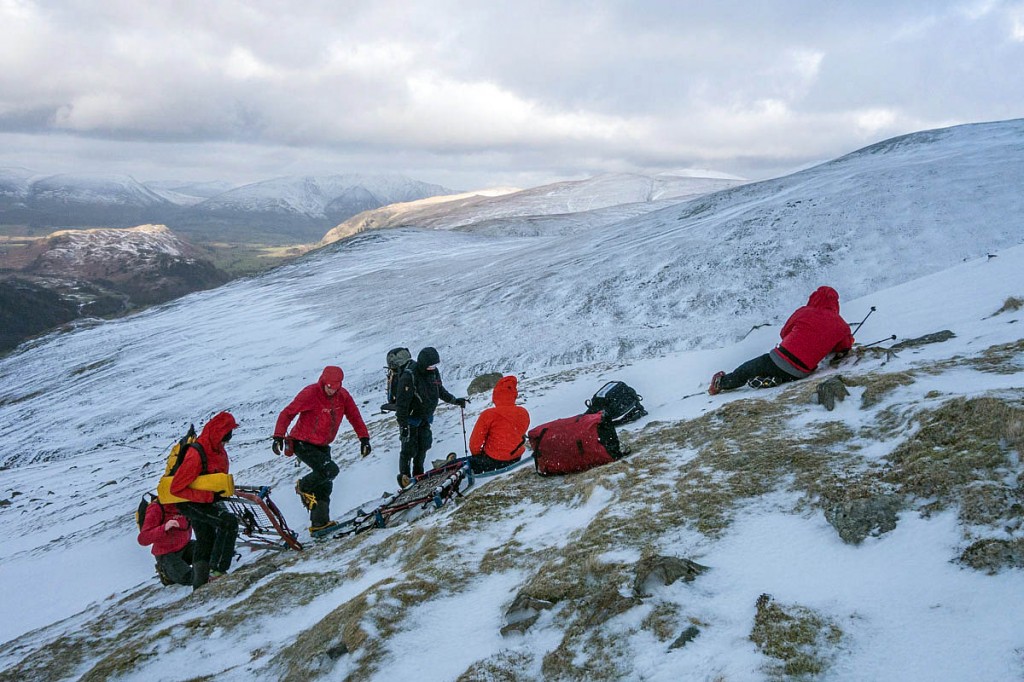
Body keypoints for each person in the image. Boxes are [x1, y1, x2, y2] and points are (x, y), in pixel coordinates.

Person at [272, 365, 371, 534]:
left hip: (323, 445)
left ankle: (320, 523)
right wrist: (278, 436)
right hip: (302, 442)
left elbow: (355, 416)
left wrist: (364, 438)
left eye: (336, 388)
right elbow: (288, 413)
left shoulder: (343, 396)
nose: (332, 391)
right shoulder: (310, 393)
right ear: (323, 382)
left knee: (325, 485)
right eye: (329, 388)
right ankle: (303, 486)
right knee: (330, 470)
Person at [709, 286, 854, 395]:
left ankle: (720, 384)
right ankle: (773, 379)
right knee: (780, 372)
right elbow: (844, 347)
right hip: (802, 372)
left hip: (779, 359)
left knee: (747, 369)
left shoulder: (805, 312)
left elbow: (784, 332)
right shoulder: (842, 325)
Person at [170, 411, 239, 589]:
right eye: (225, 438)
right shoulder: (196, 454)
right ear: (218, 434)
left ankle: (200, 585)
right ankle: (217, 571)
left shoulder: (217, 449)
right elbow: (176, 488)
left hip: (206, 499)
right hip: (189, 501)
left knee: (206, 537)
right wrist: (207, 496)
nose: (226, 443)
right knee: (228, 522)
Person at [395, 347, 467, 486]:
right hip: (410, 420)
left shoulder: (433, 373)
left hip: (425, 417)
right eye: (430, 365)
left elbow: (440, 391)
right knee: (408, 449)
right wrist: (403, 425)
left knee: (423, 446)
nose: (433, 367)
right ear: (423, 363)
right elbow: (401, 405)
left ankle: (418, 475)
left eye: (435, 365)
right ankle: (405, 478)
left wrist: (455, 401)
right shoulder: (409, 376)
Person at [467, 375, 531, 474]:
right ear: (514, 395)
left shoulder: (488, 414)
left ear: (496, 395)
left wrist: (478, 455)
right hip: (516, 457)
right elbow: (520, 432)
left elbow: (475, 444)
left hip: (494, 460)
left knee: (461, 464)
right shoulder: (523, 412)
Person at [137, 499, 195, 586]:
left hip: (186, 546)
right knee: (191, 578)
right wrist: (164, 527)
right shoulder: (156, 508)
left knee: (212, 557)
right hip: (166, 553)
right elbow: (143, 538)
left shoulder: (185, 501)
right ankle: (166, 573)